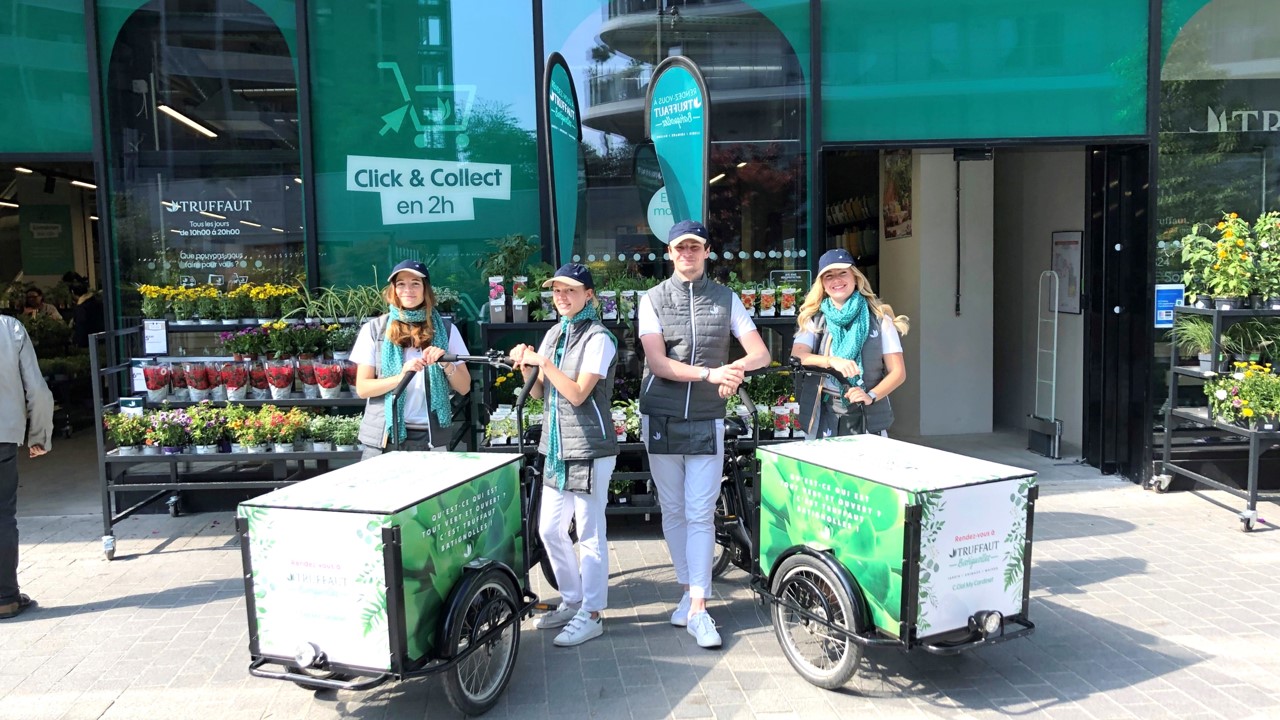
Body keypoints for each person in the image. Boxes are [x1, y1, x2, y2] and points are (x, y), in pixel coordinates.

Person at [638, 220, 771, 649]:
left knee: (699, 513)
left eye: (695, 248)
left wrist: (735, 372)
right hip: (660, 416)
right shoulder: (651, 300)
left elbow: (760, 354)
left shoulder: (726, 299)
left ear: (707, 251)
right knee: (673, 511)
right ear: (670, 253)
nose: (687, 255)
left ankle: (699, 608)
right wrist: (712, 373)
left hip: (707, 418)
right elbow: (658, 363)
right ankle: (686, 593)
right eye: (680, 249)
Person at [509, 263, 618, 647]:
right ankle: (572, 601)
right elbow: (540, 393)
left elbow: (576, 394)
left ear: (589, 294)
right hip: (556, 447)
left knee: (589, 533)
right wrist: (527, 368)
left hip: (590, 446)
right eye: (556, 291)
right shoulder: (555, 333)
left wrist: (545, 364)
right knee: (549, 529)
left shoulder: (599, 338)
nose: (561, 297)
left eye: (570, 290)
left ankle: (592, 613)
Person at [351, 260, 471, 458]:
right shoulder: (374, 329)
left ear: (425, 289)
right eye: (401, 284)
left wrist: (445, 363)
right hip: (385, 437)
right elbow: (363, 388)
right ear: (394, 290)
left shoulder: (447, 331)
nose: (408, 290)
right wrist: (401, 378)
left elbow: (464, 387)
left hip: (431, 438)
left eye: (415, 283)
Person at [791, 248, 909, 438]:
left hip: (868, 413)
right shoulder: (814, 317)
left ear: (855, 277)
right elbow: (798, 355)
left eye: (843, 273)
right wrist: (831, 361)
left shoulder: (880, 318)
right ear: (822, 283)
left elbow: (898, 372)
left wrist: (870, 396)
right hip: (823, 413)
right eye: (829, 276)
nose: (837, 280)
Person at [0, 315, 53, 620]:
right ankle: (5, 597)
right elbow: (36, 388)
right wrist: (39, 435)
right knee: (3, 515)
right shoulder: (10, 328)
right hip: (2, 435)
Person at [66, 275, 104, 348]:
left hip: (88, 343)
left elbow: (81, 327)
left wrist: (78, 343)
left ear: (72, 292)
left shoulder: (81, 308)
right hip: (102, 339)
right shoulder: (96, 302)